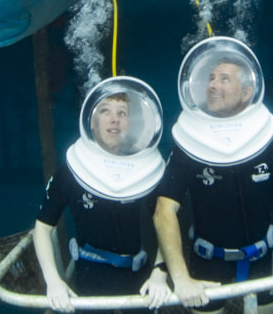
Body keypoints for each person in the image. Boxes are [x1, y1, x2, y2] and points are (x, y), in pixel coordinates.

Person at [153, 36, 273, 314]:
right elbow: (164, 211)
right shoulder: (188, 143)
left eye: (224, 79)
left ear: (247, 92)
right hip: (208, 260)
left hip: (261, 258)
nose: (212, 85)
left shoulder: (270, 137)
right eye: (211, 77)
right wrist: (181, 278)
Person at [34, 76, 172, 313]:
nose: (114, 119)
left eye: (122, 113)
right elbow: (42, 228)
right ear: (92, 121)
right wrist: (53, 280)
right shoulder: (72, 169)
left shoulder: (145, 170)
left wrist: (160, 273)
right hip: (90, 277)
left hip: (138, 275)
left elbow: (168, 221)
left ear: (131, 123)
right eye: (105, 111)